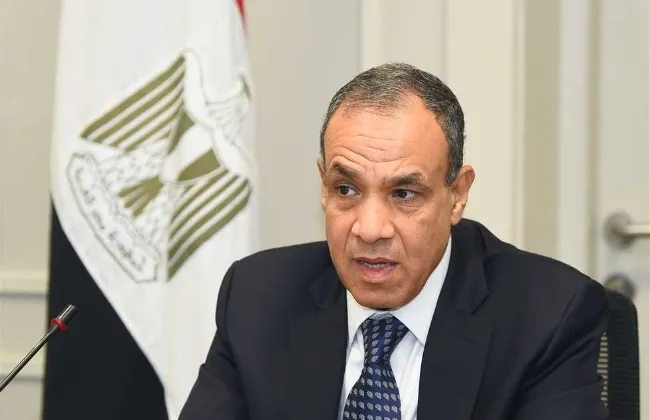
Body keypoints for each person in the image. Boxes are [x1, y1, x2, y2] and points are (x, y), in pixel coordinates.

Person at [178, 63, 609, 420]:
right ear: (323, 186)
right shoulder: (257, 298)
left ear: (457, 195)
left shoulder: (547, 316)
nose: (369, 230)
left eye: (404, 194)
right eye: (346, 189)